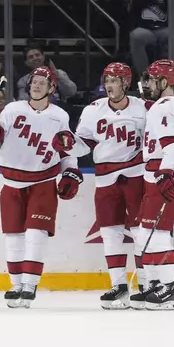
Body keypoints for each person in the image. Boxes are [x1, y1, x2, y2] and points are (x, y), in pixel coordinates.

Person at [0, 66, 89, 308]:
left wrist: (71, 171)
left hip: (43, 182)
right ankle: (16, 285)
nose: (36, 85)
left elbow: (68, 148)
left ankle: (29, 285)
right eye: (34, 81)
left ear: (52, 88)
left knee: (36, 233)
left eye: (42, 82)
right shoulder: (12, 109)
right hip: (11, 183)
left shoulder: (59, 116)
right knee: (13, 236)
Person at [72, 63, 147, 309]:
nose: (109, 85)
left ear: (126, 83)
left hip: (136, 174)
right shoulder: (93, 109)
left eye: (114, 80)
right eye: (107, 80)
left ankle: (146, 284)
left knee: (140, 231)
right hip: (105, 177)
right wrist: (68, 144)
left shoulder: (143, 107)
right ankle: (119, 286)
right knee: (109, 232)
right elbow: (83, 144)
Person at [131, 59, 174, 311]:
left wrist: (166, 174)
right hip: (170, 172)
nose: (145, 84)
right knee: (149, 232)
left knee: (154, 232)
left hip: (165, 174)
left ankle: (169, 287)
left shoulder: (163, 108)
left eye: (151, 79)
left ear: (164, 82)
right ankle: (159, 283)